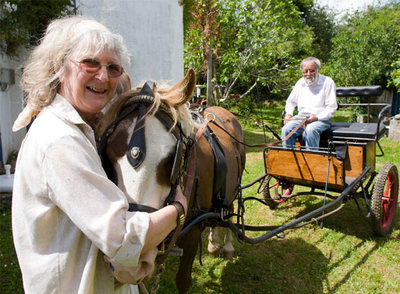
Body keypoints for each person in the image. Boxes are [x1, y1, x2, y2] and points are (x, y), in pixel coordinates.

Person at [11, 15, 187, 294]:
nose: (103, 76)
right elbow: (123, 238)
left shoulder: (80, 130)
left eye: (113, 68)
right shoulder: (58, 140)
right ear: (60, 67)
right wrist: (178, 210)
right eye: (90, 63)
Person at [281, 56, 337, 149]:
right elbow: (291, 101)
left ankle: (312, 161)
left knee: (310, 130)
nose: (308, 74)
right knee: (286, 129)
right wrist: (289, 114)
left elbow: (331, 107)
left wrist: (316, 117)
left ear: (317, 69)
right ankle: (289, 160)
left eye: (312, 71)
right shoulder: (300, 83)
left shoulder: (328, 82)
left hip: (321, 119)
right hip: (301, 117)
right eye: (305, 71)